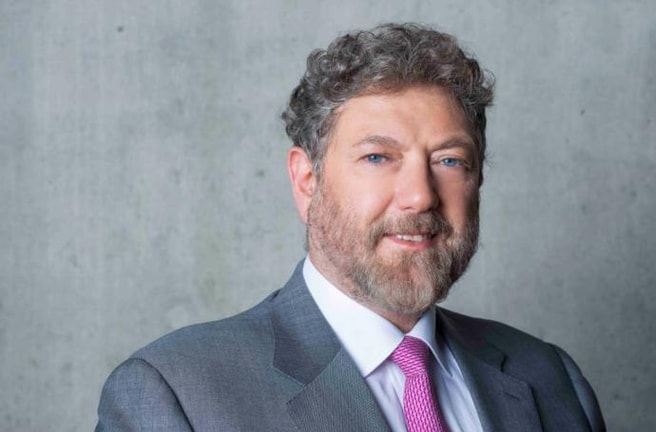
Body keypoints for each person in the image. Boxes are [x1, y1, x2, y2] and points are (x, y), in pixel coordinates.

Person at [96, 23, 605, 431]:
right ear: (307, 181)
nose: (420, 195)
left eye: (449, 161)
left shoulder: (550, 378)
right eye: (378, 157)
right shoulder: (176, 394)